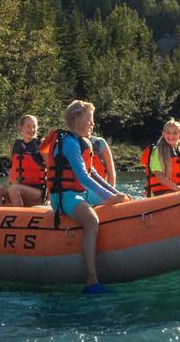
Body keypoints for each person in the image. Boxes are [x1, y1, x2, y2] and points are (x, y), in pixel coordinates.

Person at [43, 99, 130, 293]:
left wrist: (116, 195)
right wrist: (108, 198)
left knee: (121, 203)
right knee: (91, 220)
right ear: (75, 121)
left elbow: (93, 174)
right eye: (89, 119)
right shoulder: (69, 143)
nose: (92, 123)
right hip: (63, 196)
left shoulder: (83, 143)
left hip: (80, 193)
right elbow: (82, 177)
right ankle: (91, 282)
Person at [0, 114, 47, 207]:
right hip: (18, 189)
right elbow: (13, 172)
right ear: (21, 128)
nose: (32, 130)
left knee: (14, 189)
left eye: (34, 127)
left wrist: (49, 198)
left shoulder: (42, 146)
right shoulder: (14, 146)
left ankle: (20, 218)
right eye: (28, 126)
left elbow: (51, 171)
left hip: (37, 192)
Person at [139, 118, 180, 196]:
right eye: (168, 132)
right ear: (163, 133)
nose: (171, 135)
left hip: (175, 191)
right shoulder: (157, 151)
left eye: (175, 133)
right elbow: (159, 177)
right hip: (158, 194)